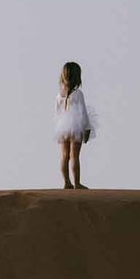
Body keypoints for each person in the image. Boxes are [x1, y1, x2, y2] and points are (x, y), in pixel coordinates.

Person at [55, 60, 94, 189]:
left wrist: (59, 128)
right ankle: (77, 183)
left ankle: (66, 182)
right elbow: (83, 112)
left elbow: (57, 113)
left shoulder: (59, 95)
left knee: (64, 155)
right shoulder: (78, 94)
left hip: (63, 126)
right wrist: (87, 128)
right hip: (76, 125)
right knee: (75, 156)